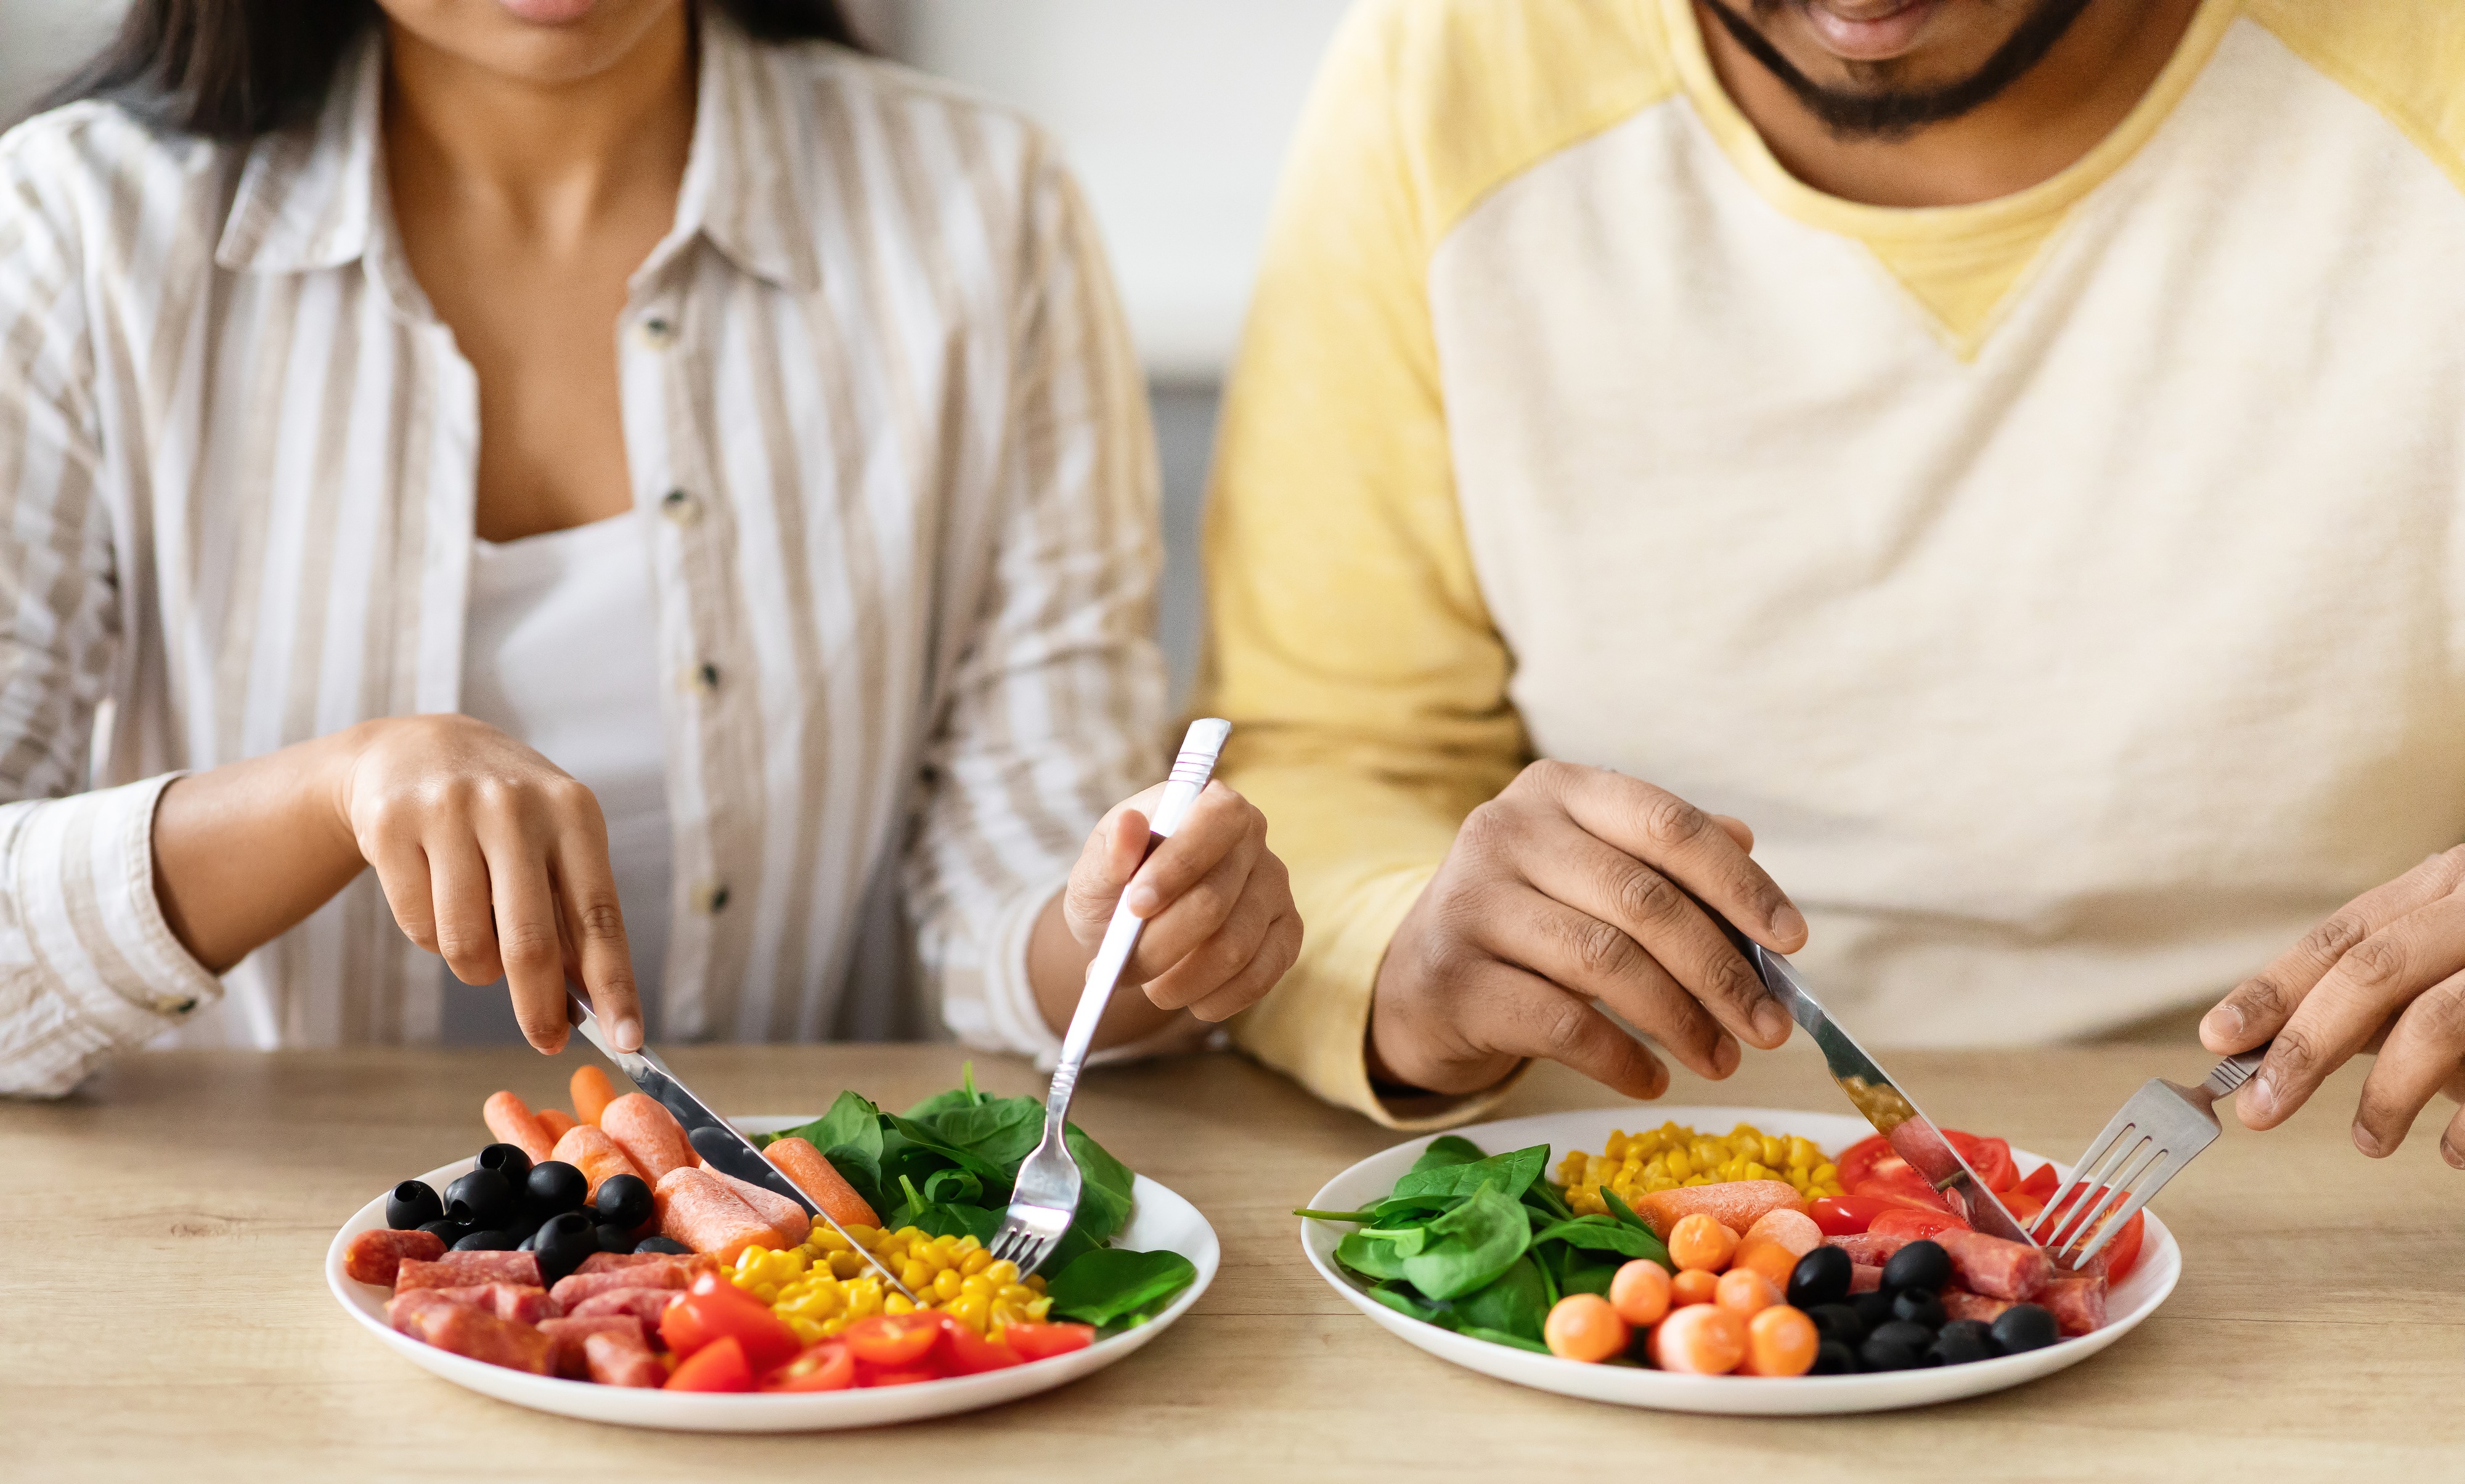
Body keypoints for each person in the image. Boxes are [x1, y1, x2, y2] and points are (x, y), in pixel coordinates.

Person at [1200, 0, 2465, 1167]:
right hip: (1637, 1156)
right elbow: (1321, 753)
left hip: (2346, 1166)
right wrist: (1396, 952)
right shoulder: (1452, 73)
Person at [0, 0, 1299, 1095]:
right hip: (232, 1260)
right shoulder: (74, 231)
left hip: (788, 1307)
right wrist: (330, 793)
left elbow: (1019, 869)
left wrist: (1137, 943)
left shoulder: (985, 214)